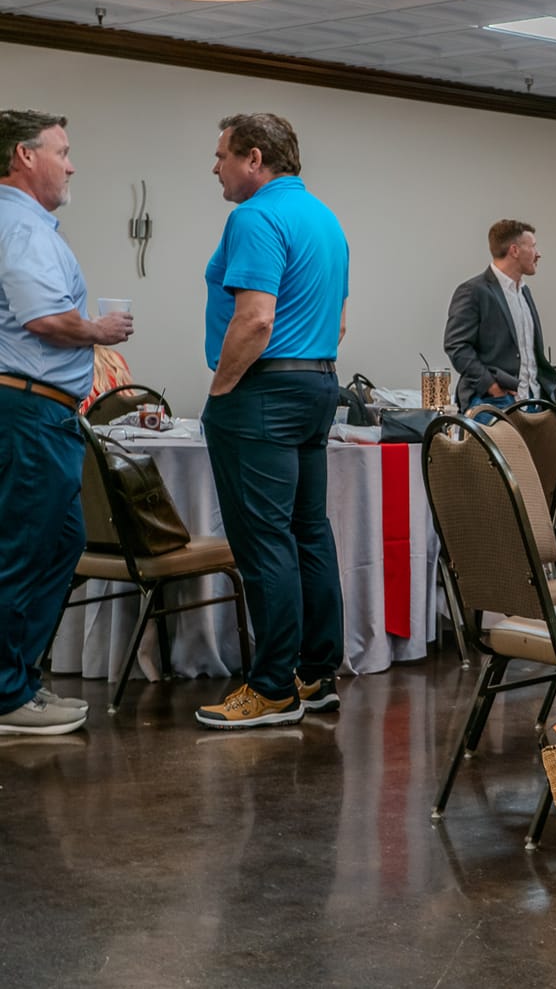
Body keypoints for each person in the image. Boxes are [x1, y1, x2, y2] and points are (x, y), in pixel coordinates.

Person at [196, 113, 351, 729]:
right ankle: (316, 675)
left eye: (222, 156)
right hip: (318, 382)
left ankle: (271, 688)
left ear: (254, 158)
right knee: (309, 533)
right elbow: (338, 322)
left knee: (265, 545)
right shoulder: (325, 219)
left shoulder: (254, 217)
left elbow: (257, 319)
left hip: (263, 388)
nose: (215, 168)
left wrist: (221, 387)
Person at [0, 110, 131, 735]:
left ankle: (18, 681)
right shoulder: (19, 226)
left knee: (59, 542)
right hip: (28, 410)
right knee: (25, 550)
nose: (71, 164)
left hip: (34, 411)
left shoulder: (23, 224)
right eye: (63, 151)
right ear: (25, 156)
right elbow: (44, 319)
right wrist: (99, 331)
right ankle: (5, 695)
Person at [444, 219, 556, 412]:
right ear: (514, 251)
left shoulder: (524, 292)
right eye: (533, 247)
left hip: (533, 400)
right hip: (493, 402)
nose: (538, 254)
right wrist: (490, 385)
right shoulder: (474, 291)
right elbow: (456, 345)